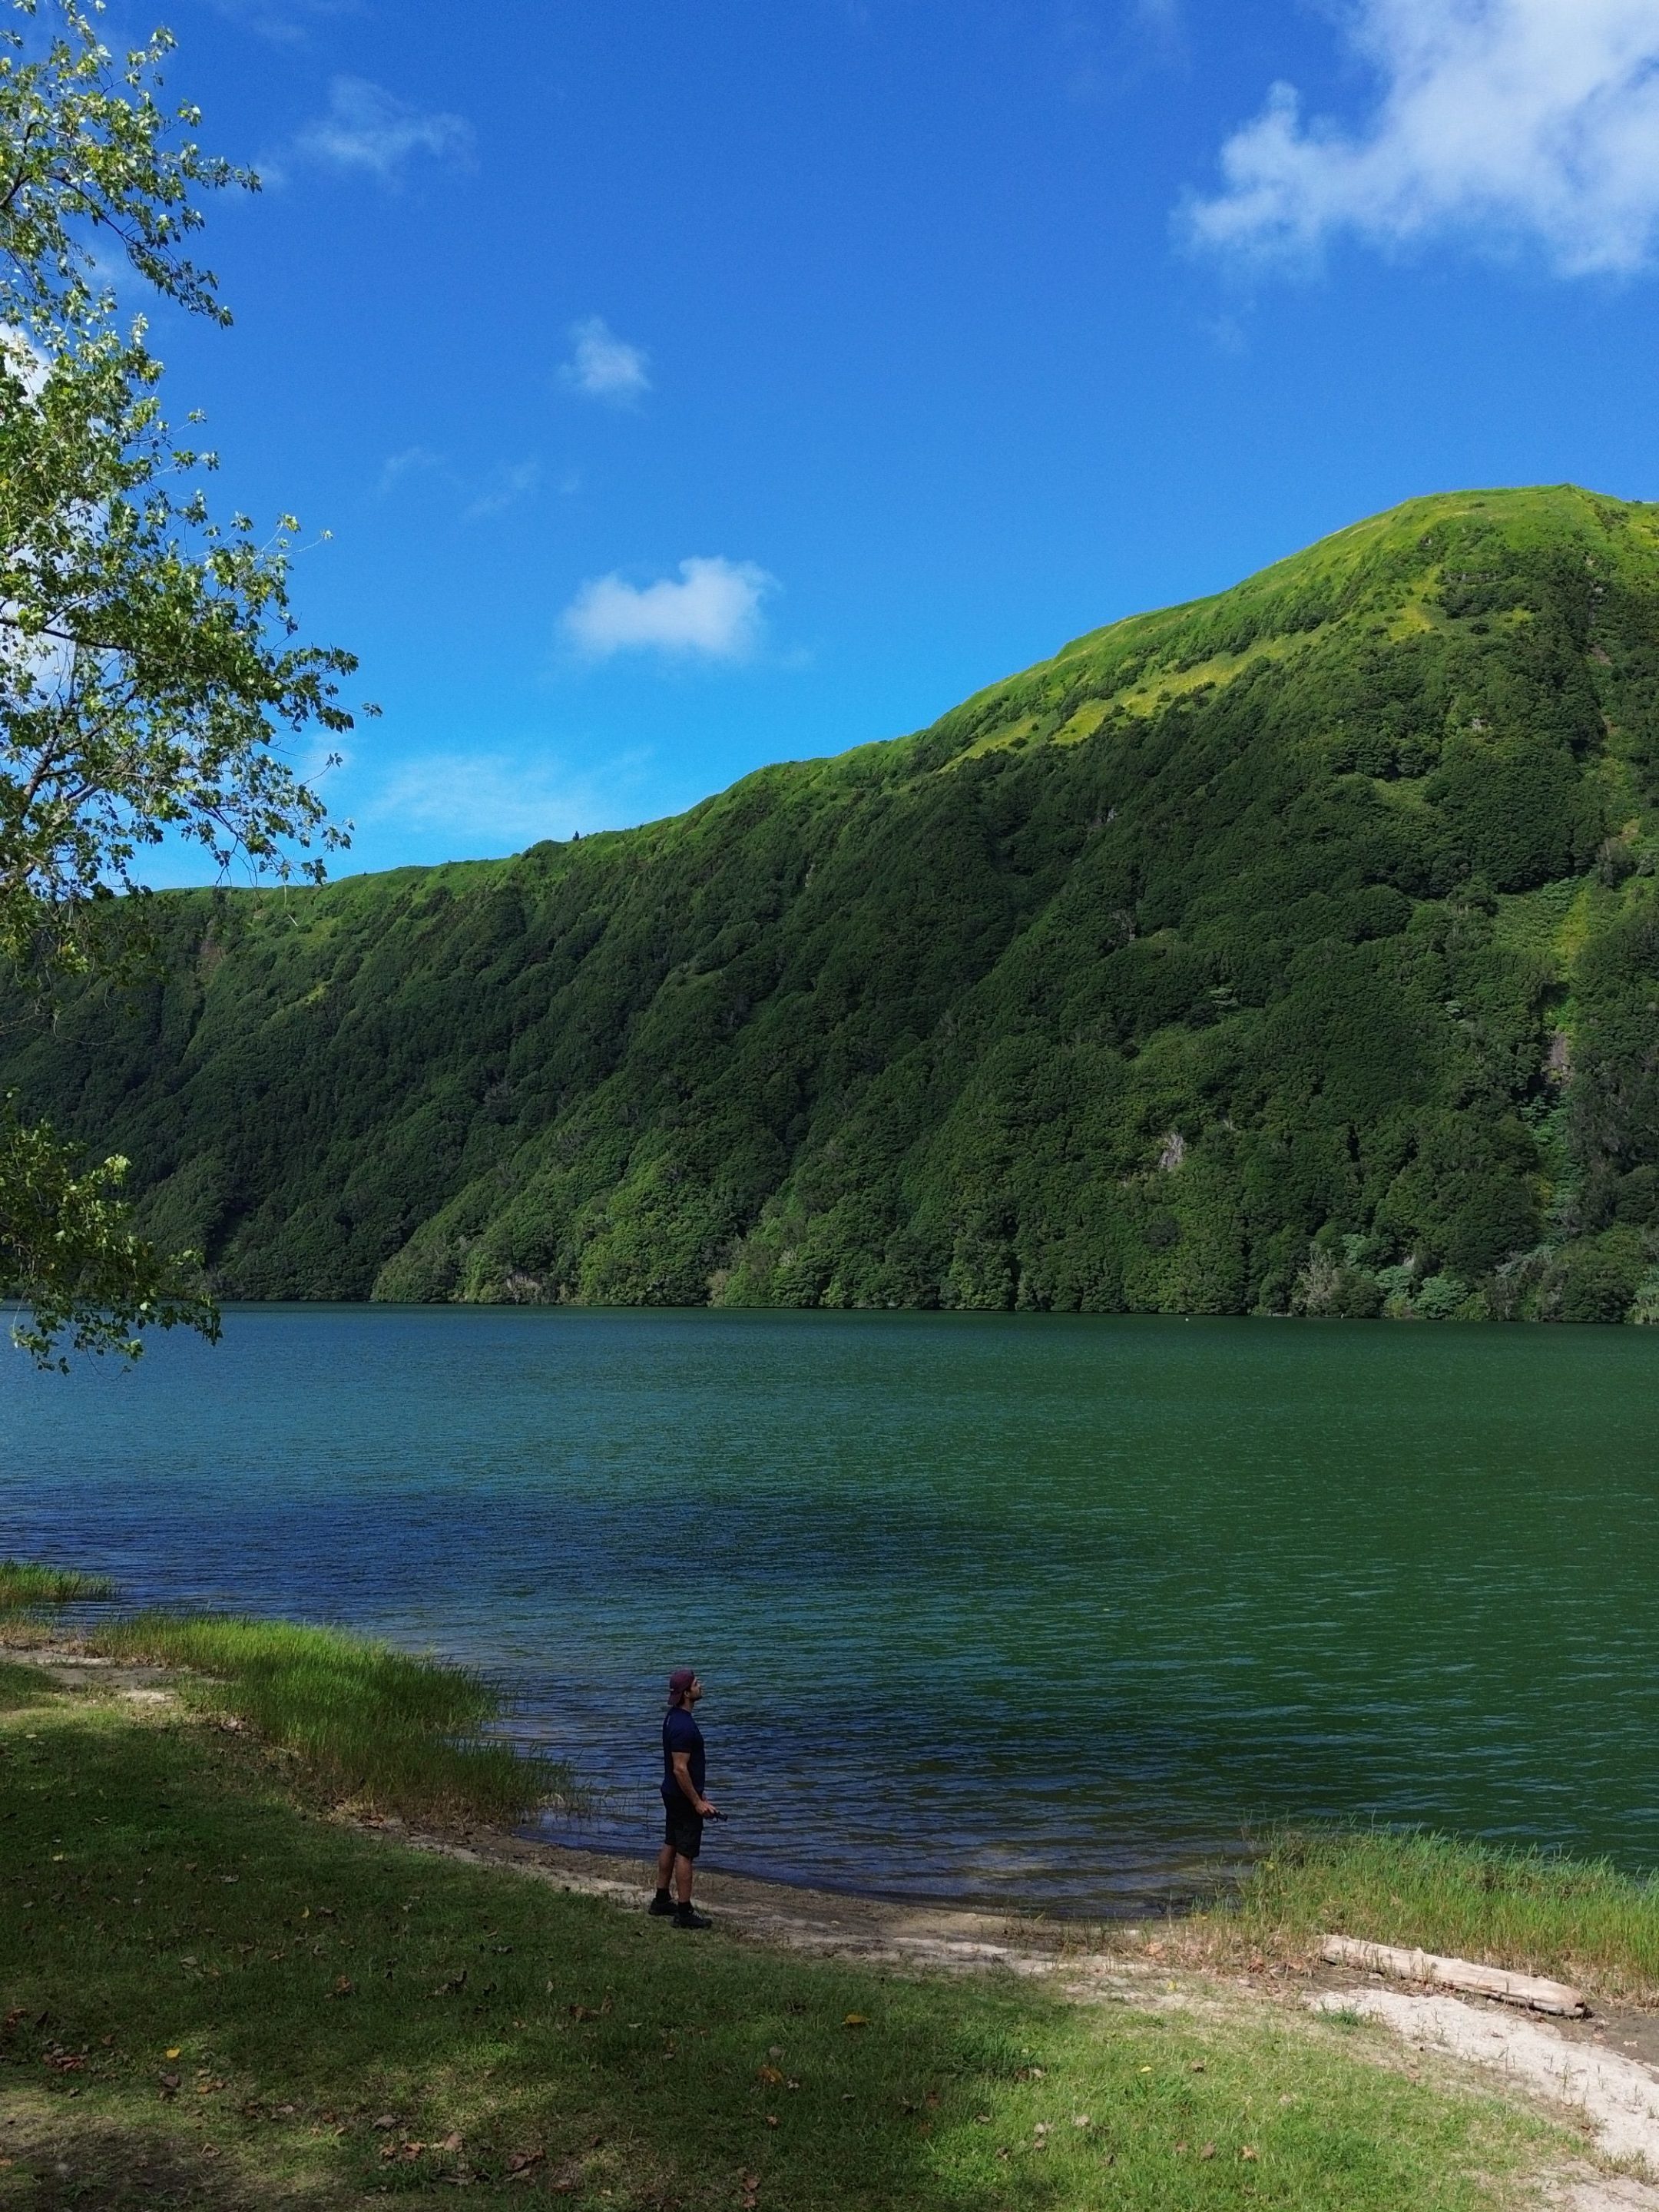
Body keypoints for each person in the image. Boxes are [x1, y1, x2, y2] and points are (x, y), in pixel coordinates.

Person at [650, 1667, 717, 1929]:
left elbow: (681, 1770)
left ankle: (661, 1898)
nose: (701, 1685)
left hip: (673, 1793)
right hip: (681, 1796)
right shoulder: (684, 1726)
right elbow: (680, 1768)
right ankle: (684, 1911)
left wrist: (699, 1792)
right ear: (687, 1693)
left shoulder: (672, 1718)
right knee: (685, 1852)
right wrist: (697, 1802)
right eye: (697, 1683)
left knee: (671, 1842)